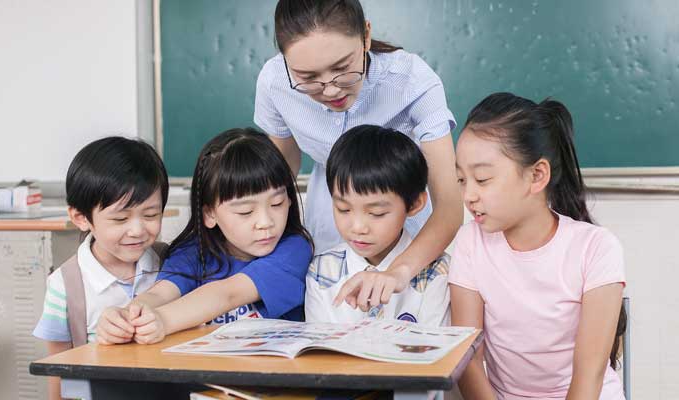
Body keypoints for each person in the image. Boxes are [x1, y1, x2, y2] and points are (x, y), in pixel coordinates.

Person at [254, 0, 462, 310]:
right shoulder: (274, 83)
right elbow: (278, 178)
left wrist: (398, 271)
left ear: (366, 36)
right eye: (308, 78)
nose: (331, 90)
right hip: (330, 219)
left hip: (403, 227)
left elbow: (449, 207)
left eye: (342, 69)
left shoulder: (411, 80)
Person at [450, 92, 627, 399]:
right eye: (462, 180)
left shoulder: (597, 248)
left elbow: (590, 374)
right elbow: (469, 361)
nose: (469, 196)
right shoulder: (470, 242)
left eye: (482, 179)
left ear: (537, 175)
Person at [96, 128, 313, 345]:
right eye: (246, 211)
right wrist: (126, 316)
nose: (266, 222)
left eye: (277, 203)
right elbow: (160, 294)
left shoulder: (294, 250)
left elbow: (228, 294)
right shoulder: (193, 252)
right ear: (209, 214)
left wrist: (163, 319)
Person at [33, 136, 169, 400]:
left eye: (151, 215)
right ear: (81, 218)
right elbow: (58, 367)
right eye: (120, 218)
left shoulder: (171, 265)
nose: (138, 230)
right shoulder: (65, 285)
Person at [305, 125, 449, 326]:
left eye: (376, 213)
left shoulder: (436, 273)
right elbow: (318, 353)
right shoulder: (322, 271)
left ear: (415, 204)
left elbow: (438, 353)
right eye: (343, 209)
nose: (358, 227)